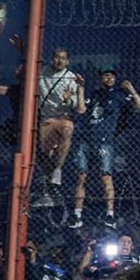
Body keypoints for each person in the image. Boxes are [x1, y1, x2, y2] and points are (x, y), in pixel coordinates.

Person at [70, 67, 140, 230]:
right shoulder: (95, 93)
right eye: (106, 75)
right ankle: (77, 214)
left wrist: (131, 89)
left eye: (112, 75)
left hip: (106, 141)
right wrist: (81, 88)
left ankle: (109, 214)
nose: (109, 78)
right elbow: (81, 109)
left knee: (106, 177)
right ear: (100, 78)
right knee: (81, 176)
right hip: (87, 140)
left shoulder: (119, 94)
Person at [36, 47, 86, 191]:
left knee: (67, 129)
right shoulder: (42, 72)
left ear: (67, 61)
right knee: (47, 153)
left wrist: (68, 100)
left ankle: (58, 169)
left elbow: (79, 108)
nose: (60, 61)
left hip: (62, 116)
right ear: (52, 58)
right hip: (46, 117)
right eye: (57, 57)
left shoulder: (71, 78)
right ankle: (48, 186)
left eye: (63, 58)